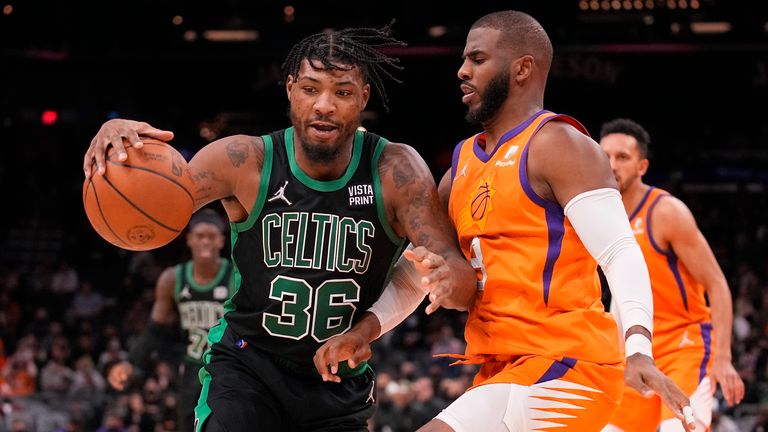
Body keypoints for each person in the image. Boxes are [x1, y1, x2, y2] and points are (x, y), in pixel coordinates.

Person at [83, 23, 476, 432]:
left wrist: (449, 279)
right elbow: (156, 207)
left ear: (363, 98)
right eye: (310, 89)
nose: (324, 105)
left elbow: (456, 279)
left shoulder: (395, 170)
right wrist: (120, 152)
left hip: (336, 379)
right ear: (290, 89)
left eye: (341, 92)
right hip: (247, 364)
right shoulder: (243, 160)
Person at [319, 10, 696, 432]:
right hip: (503, 368)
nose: (462, 71)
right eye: (464, 60)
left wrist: (640, 347)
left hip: (567, 365)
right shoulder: (460, 165)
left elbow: (620, 253)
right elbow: (415, 274)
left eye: (478, 60)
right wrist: (365, 330)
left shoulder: (560, 144)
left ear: (522, 69)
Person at [598, 118, 745, 432]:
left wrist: (722, 356)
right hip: (636, 350)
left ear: (642, 166)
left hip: (685, 345)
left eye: (622, 157)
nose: (612, 164)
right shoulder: (598, 215)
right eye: (605, 155)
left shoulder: (665, 212)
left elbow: (717, 284)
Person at [107, 208, 234, 432]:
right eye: (200, 236)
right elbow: (154, 330)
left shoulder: (235, 276)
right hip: (193, 365)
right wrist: (131, 361)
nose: (206, 241)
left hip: (228, 366)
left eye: (212, 236)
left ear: (221, 241)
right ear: (190, 240)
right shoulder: (172, 278)